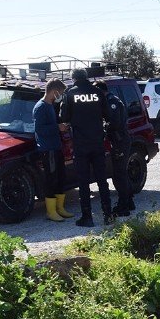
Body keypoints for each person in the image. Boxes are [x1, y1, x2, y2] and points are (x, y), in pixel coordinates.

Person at [59, 68, 114, 227]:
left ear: (73, 79)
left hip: (81, 145)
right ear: (86, 77)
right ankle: (108, 215)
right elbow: (108, 115)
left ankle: (87, 217)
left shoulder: (70, 94)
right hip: (97, 142)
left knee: (83, 182)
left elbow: (64, 117)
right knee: (102, 180)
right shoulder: (97, 92)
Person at [33, 79, 72, 222]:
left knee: (61, 178)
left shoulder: (50, 105)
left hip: (56, 147)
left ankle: (60, 208)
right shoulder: (41, 107)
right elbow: (39, 130)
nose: (60, 95)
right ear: (53, 91)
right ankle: (50, 211)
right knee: (51, 179)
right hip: (47, 149)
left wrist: (61, 126)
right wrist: (58, 127)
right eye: (60, 93)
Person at [94, 80, 133, 215]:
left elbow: (114, 123)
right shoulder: (111, 100)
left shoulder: (111, 102)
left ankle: (124, 207)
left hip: (119, 141)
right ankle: (129, 201)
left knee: (118, 175)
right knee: (122, 173)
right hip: (120, 140)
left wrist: (103, 129)